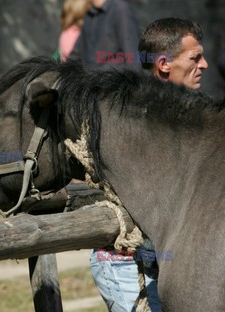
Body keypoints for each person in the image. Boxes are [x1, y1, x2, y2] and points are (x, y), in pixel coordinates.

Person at [89, 17, 208, 312]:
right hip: (130, 267)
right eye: (195, 58)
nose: (204, 65)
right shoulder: (134, 119)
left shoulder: (189, 116)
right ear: (165, 64)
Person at [69, 0, 140, 70]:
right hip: (91, 78)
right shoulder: (90, 13)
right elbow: (76, 53)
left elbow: (132, 57)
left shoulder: (121, 10)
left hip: (114, 78)